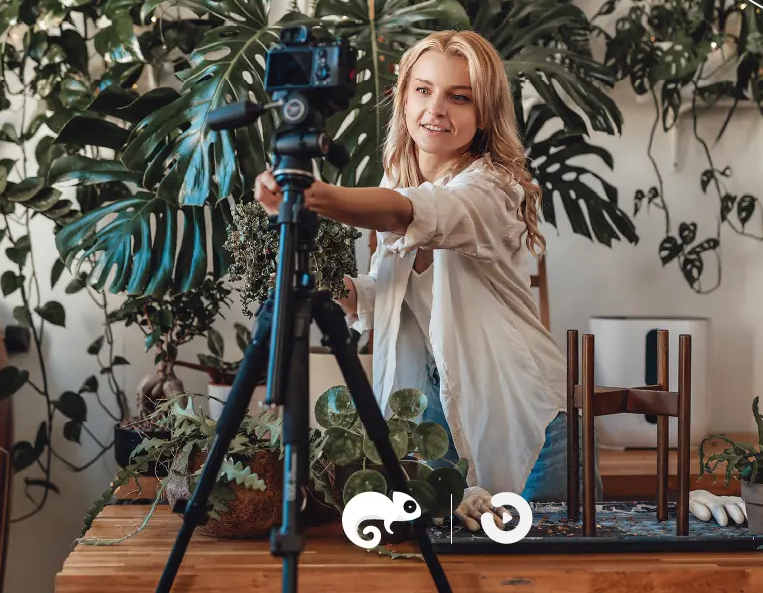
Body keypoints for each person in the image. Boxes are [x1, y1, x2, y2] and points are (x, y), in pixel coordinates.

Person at [254, 29, 602, 533]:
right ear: (404, 96)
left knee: (544, 571)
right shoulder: (396, 180)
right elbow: (386, 295)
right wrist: (336, 288)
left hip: (528, 414)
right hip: (429, 412)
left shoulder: (494, 186)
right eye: (424, 89)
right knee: (456, 561)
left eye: (458, 97)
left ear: (483, 113)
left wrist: (311, 194)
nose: (436, 108)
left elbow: (415, 214)